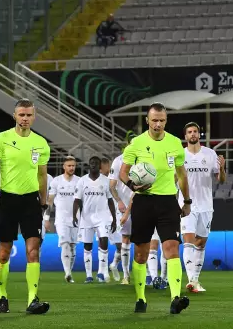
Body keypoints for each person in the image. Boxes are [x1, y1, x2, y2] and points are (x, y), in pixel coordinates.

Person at [118, 102, 191, 314]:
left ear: (166, 121)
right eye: (154, 120)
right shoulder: (136, 144)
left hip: (168, 202)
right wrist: (133, 185)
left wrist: (186, 201)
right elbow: (123, 173)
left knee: (171, 248)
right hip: (143, 201)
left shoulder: (175, 144)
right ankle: (141, 298)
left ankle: (176, 298)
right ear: (147, 120)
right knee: (141, 254)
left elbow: (182, 175)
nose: (158, 124)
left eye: (162, 120)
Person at [0, 98, 51, 314]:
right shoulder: (1, 139)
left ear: (34, 116)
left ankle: (33, 300)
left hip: (31, 202)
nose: (25, 118)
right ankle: (2, 296)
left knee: (33, 251)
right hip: (8, 201)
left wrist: (43, 202)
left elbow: (42, 175)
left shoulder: (40, 143)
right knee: (3, 254)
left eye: (28, 115)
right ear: (14, 115)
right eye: (21, 114)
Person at [180, 122, 226, 293]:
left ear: (199, 135)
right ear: (185, 136)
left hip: (206, 205)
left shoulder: (210, 154)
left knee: (201, 243)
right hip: (186, 205)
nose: (193, 134)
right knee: (188, 240)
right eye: (189, 132)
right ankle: (191, 280)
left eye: (195, 132)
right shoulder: (180, 155)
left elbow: (221, 180)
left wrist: (222, 168)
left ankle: (196, 279)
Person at [74, 156, 117, 284]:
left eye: (96, 163)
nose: (93, 165)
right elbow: (76, 200)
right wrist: (73, 216)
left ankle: (101, 272)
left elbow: (110, 200)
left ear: (100, 166)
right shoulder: (82, 181)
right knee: (87, 246)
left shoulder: (105, 181)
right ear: (89, 165)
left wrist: (114, 219)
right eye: (91, 162)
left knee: (104, 241)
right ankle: (88, 275)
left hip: (102, 217)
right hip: (86, 218)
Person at [44, 156, 80, 283]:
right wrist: (46, 218)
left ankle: (69, 271)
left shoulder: (79, 181)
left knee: (72, 246)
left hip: (76, 219)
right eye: (69, 166)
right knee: (65, 243)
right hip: (61, 219)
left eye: (73, 166)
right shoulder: (56, 182)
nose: (71, 168)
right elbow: (50, 201)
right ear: (64, 166)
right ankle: (68, 273)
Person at [109, 148, 134, 285]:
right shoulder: (118, 161)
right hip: (124, 206)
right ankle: (126, 275)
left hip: (142, 204)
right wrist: (119, 201)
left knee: (146, 240)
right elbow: (112, 186)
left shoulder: (144, 158)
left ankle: (149, 275)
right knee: (125, 238)